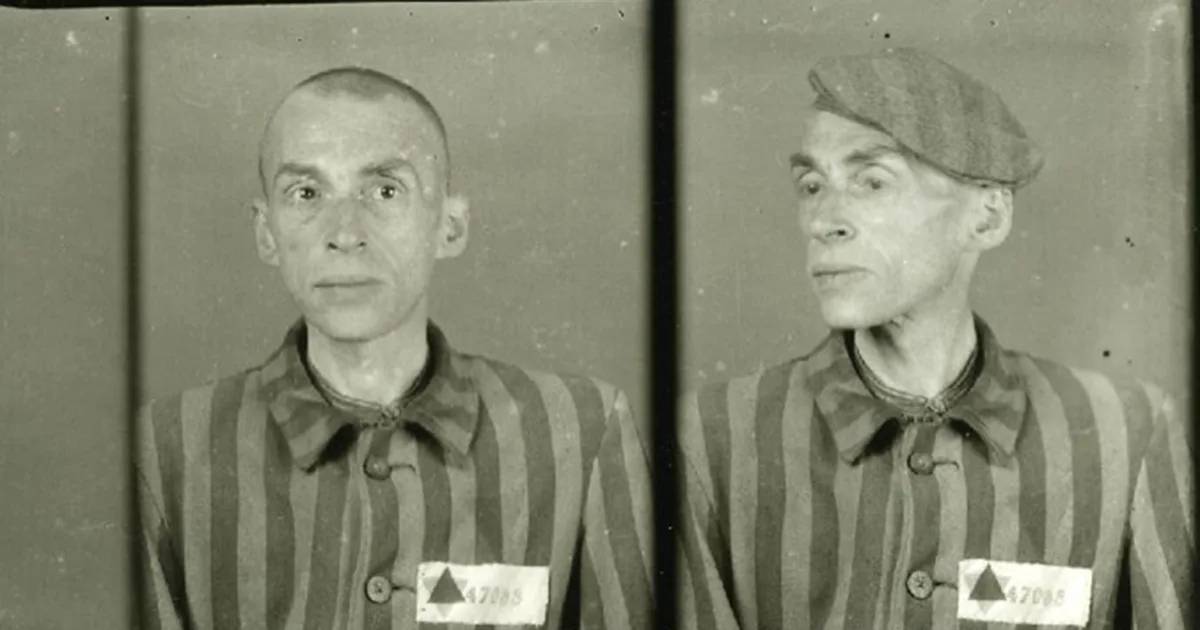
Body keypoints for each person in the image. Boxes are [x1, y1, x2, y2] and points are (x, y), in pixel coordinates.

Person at [674, 48, 1193, 628]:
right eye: (812, 185)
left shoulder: (1125, 433)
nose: (824, 220)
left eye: (873, 182)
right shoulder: (713, 439)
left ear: (988, 217)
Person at [135, 66, 649, 629]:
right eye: (306, 193)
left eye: (384, 190)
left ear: (450, 226)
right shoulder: (166, 451)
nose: (344, 234)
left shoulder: (580, 431)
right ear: (266, 232)